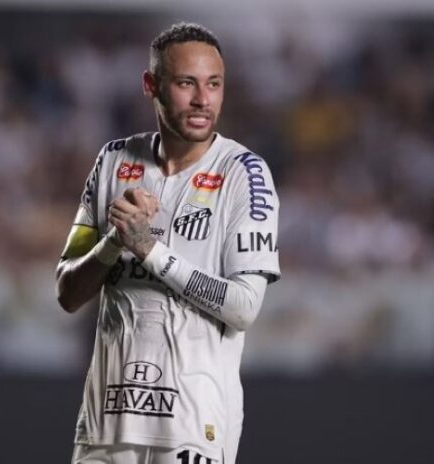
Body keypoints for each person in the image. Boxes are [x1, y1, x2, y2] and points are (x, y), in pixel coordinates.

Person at [55, 22, 280, 464]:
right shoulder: (113, 161)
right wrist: (112, 244)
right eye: (186, 84)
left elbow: (243, 307)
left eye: (214, 85)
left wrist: (150, 250)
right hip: (106, 424)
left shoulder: (244, 174)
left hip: (191, 427)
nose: (202, 100)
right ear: (151, 85)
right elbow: (66, 291)